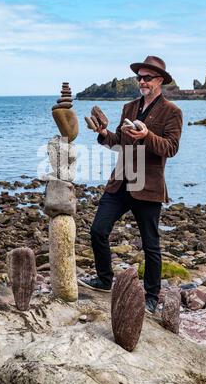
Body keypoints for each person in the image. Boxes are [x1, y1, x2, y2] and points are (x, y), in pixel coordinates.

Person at [78, 56, 183, 314]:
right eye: (140, 77)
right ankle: (104, 279)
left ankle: (151, 297)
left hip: (148, 186)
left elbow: (171, 148)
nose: (142, 81)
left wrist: (147, 136)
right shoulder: (128, 107)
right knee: (98, 230)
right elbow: (119, 143)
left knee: (151, 245)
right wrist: (103, 134)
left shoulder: (172, 112)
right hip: (120, 182)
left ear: (160, 81)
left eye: (148, 78)